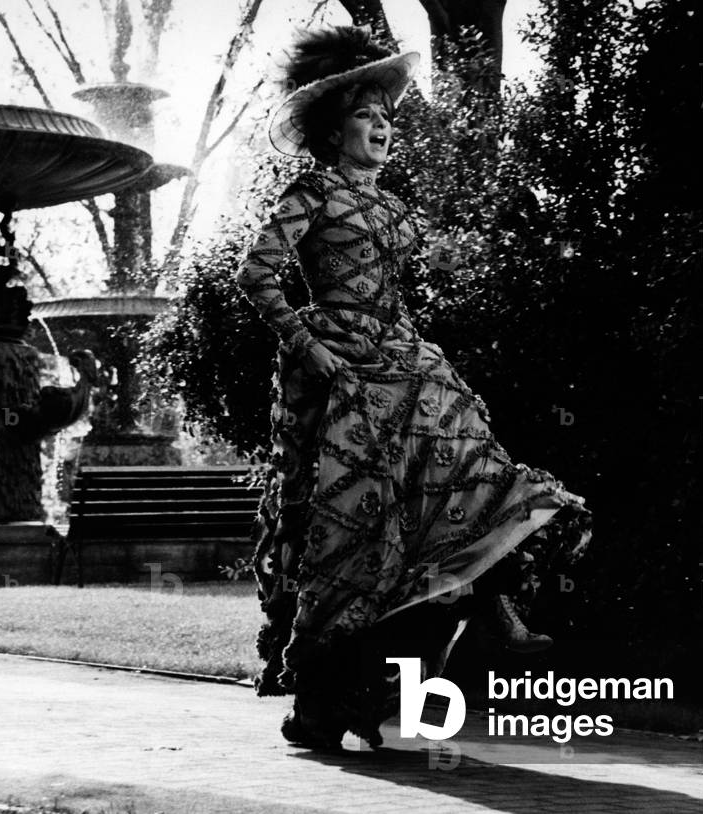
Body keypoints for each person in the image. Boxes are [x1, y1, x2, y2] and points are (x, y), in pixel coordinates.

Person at [235, 26, 592, 750]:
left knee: (477, 476)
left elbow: (435, 263)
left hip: (406, 363)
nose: (381, 128)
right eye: (367, 116)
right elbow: (256, 272)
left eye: (387, 118)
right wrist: (308, 344)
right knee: (360, 536)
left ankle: (486, 602)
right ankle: (332, 704)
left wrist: (500, 245)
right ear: (334, 127)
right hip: (345, 375)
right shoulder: (314, 191)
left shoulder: (394, 208)